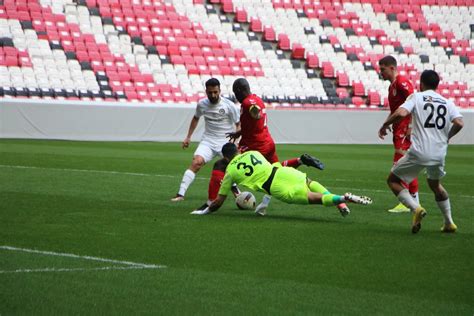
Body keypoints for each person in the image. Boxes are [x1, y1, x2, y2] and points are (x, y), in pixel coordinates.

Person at [194, 78, 339, 215]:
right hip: (267, 141)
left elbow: (253, 109)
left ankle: (211, 202)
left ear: (238, 91)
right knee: (276, 171)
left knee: (221, 164)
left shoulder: (248, 102)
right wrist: (239, 132)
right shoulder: (257, 97)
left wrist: (254, 112)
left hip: (254, 145)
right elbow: (253, 120)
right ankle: (300, 160)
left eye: (235, 92)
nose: (235, 96)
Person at [378, 70, 464, 234]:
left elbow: (402, 112)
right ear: (437, 85)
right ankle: (449, 222)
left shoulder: (416, 97)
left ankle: (415, 208)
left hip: (419, 152)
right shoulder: (447, 102)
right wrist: (447, 136)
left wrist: (385, 124)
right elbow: (459, 123)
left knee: (393, 181)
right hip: (439, 153)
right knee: (436, 185)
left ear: (421, 83)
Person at [190, 143, 372, 215]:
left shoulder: (229, 170)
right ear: (238, 150)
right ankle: (340, 202)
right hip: (281, 172)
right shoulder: (253, 152)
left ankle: (342, 199)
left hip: (275, 186)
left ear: (225, 157)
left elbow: (219, 202)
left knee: (311, 198)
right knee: (309, 183)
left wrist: (204, 211)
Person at [171, 78, 240, 202]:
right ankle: (180, 194)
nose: (213, 95)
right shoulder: (202, 104)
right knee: (196, 162)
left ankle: (236, 191)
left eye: (215, 92)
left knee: (230, 167)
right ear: (206, 91)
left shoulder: (229, 105)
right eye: (210, 92)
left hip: (225, 142)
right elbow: (196, 118)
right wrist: (188, 137)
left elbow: (238, 124)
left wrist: (236, 142)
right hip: (208, 140)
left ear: (220, 90)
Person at [379, 56, 420, 213]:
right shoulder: (392, 87)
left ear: (392, 68)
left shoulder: (402, 81)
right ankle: (414, 202)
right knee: (407, 166)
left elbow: (415, 102)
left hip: (405, 129)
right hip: (398, 129)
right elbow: (395, 110)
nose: (380, 72)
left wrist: (411, 126)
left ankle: (406, 202)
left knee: (400, 166)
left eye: (383, 69)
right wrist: (386, 125)